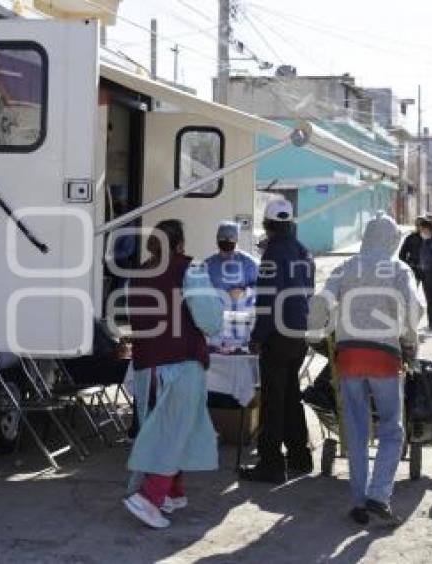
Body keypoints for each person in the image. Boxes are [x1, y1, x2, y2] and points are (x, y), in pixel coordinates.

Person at [308, 213, 422, 527]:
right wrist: (410, 341)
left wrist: (316, 328)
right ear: (392, 240)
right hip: (384, 357)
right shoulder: (399, 269)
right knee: (391, 430)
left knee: (355, 430)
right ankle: (379, 495)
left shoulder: (345, 267)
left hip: (348, 357)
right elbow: (413, 308)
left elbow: (323, 300)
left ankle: (358, 501)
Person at [123, 220, 224, 529]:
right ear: (180, 243)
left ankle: (173, 493)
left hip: (146, 366)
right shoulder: (189, 269)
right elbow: (209, 319)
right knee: (175, 430)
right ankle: (149, 497)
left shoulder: (137, 275)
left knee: (166, 429)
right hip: (181, 363)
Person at [241, 198, 315, 484]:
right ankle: (300, 456)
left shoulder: (273, 254)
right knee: (290, 395)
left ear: (268, 225)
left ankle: (271, 464)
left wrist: (258, 336)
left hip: (278, 335)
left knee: (273, 400)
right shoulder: (303, 251)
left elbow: (268, 300)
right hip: (299, 332)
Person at [205, 221, 259, 348]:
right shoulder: (208, 265)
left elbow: (262, 287)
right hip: (217, 322)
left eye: (230, 240)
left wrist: (245, 292)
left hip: (242, 322)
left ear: (236, 240)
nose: (227, 242)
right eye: (223, 239)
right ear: (217, 240)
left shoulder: (249, 263)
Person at [399, 217, 426, 284]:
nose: (418, 226)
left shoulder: (431, 238)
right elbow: (402, 255)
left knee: (430, 293)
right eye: (417, 225)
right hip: (414, 269)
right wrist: (408, 265)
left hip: (427, 270)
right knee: (413, 292)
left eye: (421, 224)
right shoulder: (410, 238)